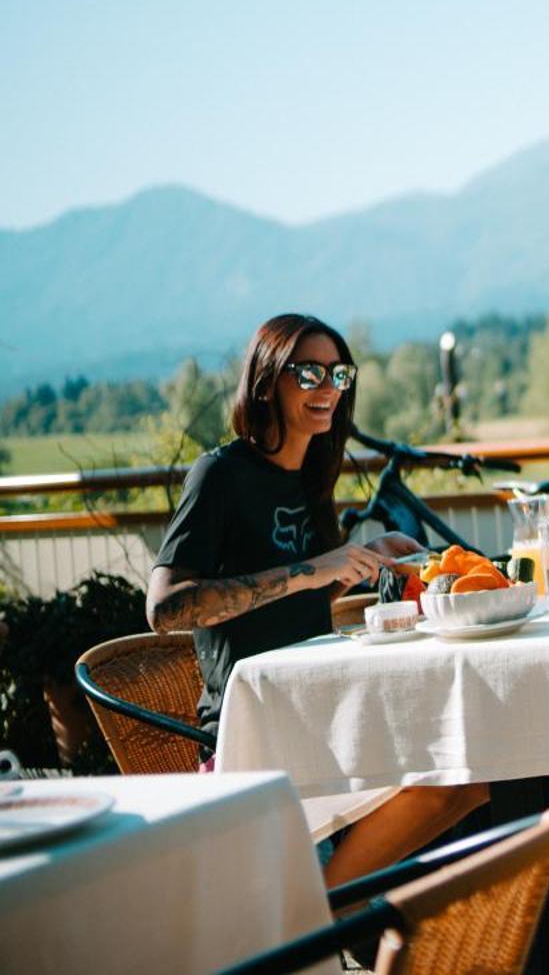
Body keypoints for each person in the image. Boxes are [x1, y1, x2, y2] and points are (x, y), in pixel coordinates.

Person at [147, 312, 488, 886]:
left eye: (338, 374)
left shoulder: (309, 477)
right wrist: (308, 570)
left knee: (473, 772)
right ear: (267, 382)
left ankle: (339, 912)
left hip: (323, 707)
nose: (327, 387)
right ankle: (322, 920)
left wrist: (363, 559)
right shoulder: (220, 475)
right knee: (449, 778)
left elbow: (297, 599)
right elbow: (167, 609)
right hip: (255, 730)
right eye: (307, 373)